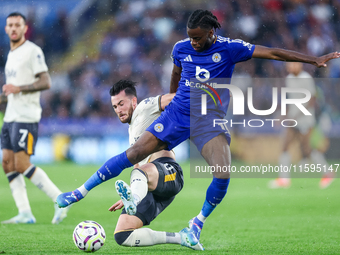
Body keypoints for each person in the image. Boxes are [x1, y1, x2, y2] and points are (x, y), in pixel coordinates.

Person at [57, 9, 340, 245]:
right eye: (190, 37)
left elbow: (275, 53)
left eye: (197, 38)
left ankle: (196, 223)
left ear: (211, 33)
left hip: (209, 119)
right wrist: (167, 107)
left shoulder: (230, 48)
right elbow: (177, 74)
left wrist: (313, 60)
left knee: (223, 173)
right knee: (135, 152)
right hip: (178, 113)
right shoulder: (180, 48)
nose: (192, 42)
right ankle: (79, 192)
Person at [106, 79, 203, 250]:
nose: (118, 110)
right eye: (115, 107)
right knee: (123, 235)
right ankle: (182, 237)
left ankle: (134, 199)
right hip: (151, 186)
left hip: (169, 172)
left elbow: (175, 98)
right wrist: (133, 189)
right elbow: (137, 166)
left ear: (133, 101)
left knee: (140, 173)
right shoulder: (132, 131)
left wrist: (208, 95)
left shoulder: (145, 107)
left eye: (121, 104)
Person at [1, 12, 70, 224]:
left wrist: (18, 88)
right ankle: (25, 213)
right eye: (10, 25)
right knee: (7, 163)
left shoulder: (33, 51)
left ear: (24, 28)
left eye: (17, 25)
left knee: (21, 164)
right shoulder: (11, 54)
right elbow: (13, 90)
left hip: (26, 116)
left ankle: (61, 200)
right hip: (11, 116)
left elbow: (46, 81)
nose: (13, 28)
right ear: (6, 29)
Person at [269, 62, 334, 189]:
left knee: (307, 149)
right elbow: (291, 100)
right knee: (285, 146)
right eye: (289, 65)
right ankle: (284, 179)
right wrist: (283, 115)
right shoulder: (289, 79)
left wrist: (298, 114)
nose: (290, 67)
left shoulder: (306, 78)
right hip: (294, 119)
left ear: (300, 65)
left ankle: (328, 172)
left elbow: (312, 99)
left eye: (293, 64)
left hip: (305, 119)